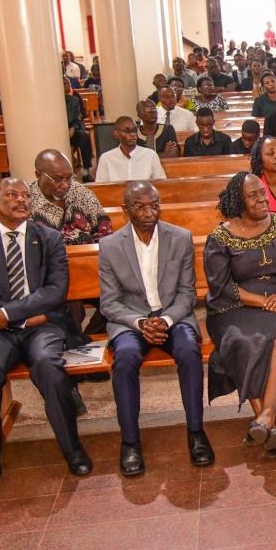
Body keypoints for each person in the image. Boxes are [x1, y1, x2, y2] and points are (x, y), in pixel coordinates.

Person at [0, 177, 92, 501]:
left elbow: (55, 292)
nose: (20, 200)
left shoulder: (48, 239)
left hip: (39, 327)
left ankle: (72, 449)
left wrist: (6, 313)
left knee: (48, 365)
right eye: (11, 195)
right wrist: (11, 316)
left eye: (24, 195)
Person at [99, 181, 212, 475]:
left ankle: (196, 432)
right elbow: (109, 303)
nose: (150, 212)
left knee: (189, 350)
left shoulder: (180, 238)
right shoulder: (111, 246)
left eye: (155, 205)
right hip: (131, 320)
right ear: (125, 210)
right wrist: (140, 323)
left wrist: (166, 320)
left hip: (173, 317)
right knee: (123, 359)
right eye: (140, 206)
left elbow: (188, 293)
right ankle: (130, 442)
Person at [205, 173, 276, 453]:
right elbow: (222, 287)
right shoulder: (220, 237)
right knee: (245, 342)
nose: (263, 199)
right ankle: (268, 422)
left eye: (263, 193)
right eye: (254, 196)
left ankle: (264, 419)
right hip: (235, 306)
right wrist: (265, 302)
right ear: (239, 201)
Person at [29, 148, 112, 245]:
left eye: (69, 178)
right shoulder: (26, 202)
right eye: (57, 179)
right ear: (38, 175)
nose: (65, 185)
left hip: (85, 257)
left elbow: (105, 234)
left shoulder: (82, 194)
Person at [95, 116, 166, 183]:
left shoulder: (150, 155)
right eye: (127, 131)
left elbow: (162, 184)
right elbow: (100, 188)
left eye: (134, 130)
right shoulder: (106, 158)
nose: (132, 134)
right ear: (116, 134)